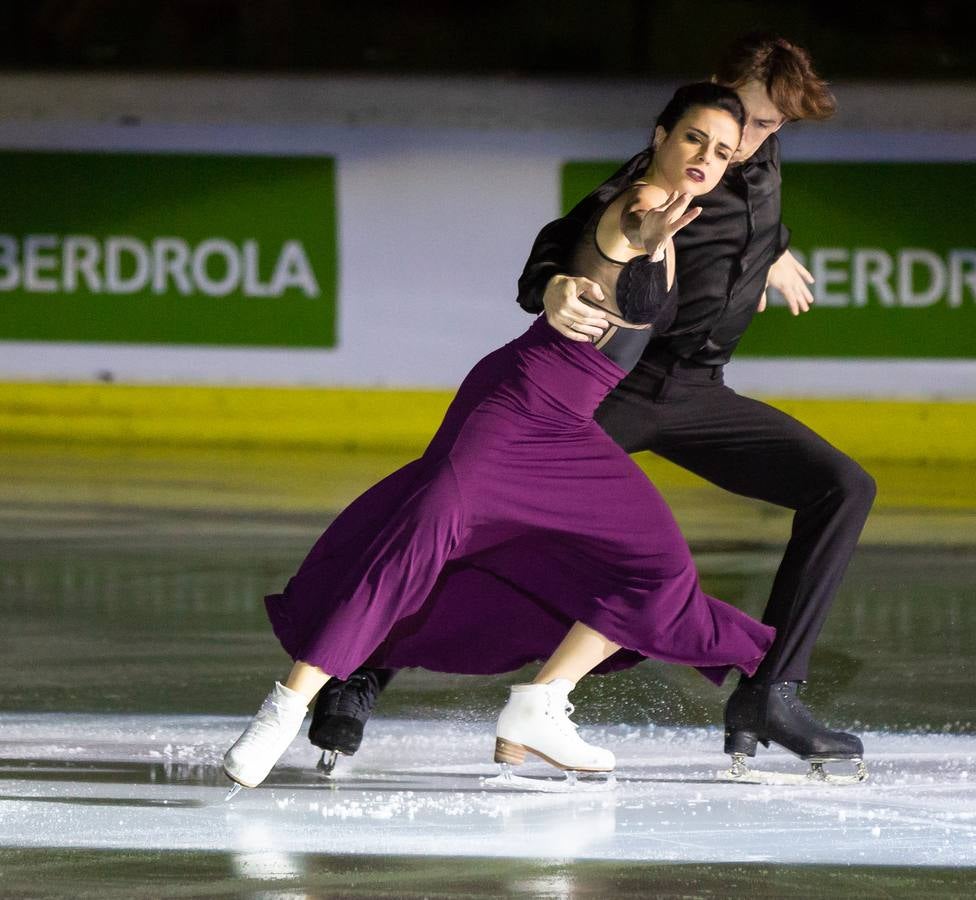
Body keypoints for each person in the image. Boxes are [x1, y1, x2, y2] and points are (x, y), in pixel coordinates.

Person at [312, 34, 873, 782]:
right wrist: (551, 285)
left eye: (771, 130)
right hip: (615, 392)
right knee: (477, 517)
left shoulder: (755, 155)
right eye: (748, 120)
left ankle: (770, 692)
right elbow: (568, 238)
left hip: (701, 392)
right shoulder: (653, 180)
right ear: (710, 93)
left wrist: (774, 248)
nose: (750, 144)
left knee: (843, 486)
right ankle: (360, 669)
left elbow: (748, 202)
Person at [221, 83, 773, 791]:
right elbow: (609, 252)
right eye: (695, 137)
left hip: (568, 426)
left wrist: (769, 254)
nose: (706, 156)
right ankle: (284, 708)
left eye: (723, 150)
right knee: (416, 545)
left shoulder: (684, 215)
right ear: (662, 134)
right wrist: (616, 254)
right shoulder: (635, 206)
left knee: (656, 567)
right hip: (514, 405)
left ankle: (541, 706)